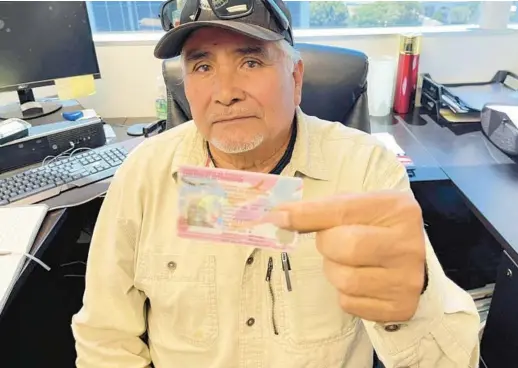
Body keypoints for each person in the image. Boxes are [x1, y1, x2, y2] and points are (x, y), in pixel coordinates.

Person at [72, 0, 480, 367]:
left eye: (250, 62)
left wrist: (414, 303)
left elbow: (448, 362)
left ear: (296, 76)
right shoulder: (146, 171)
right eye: (202, 66)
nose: (226, 92)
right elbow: (105, 339)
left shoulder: (363, 170)